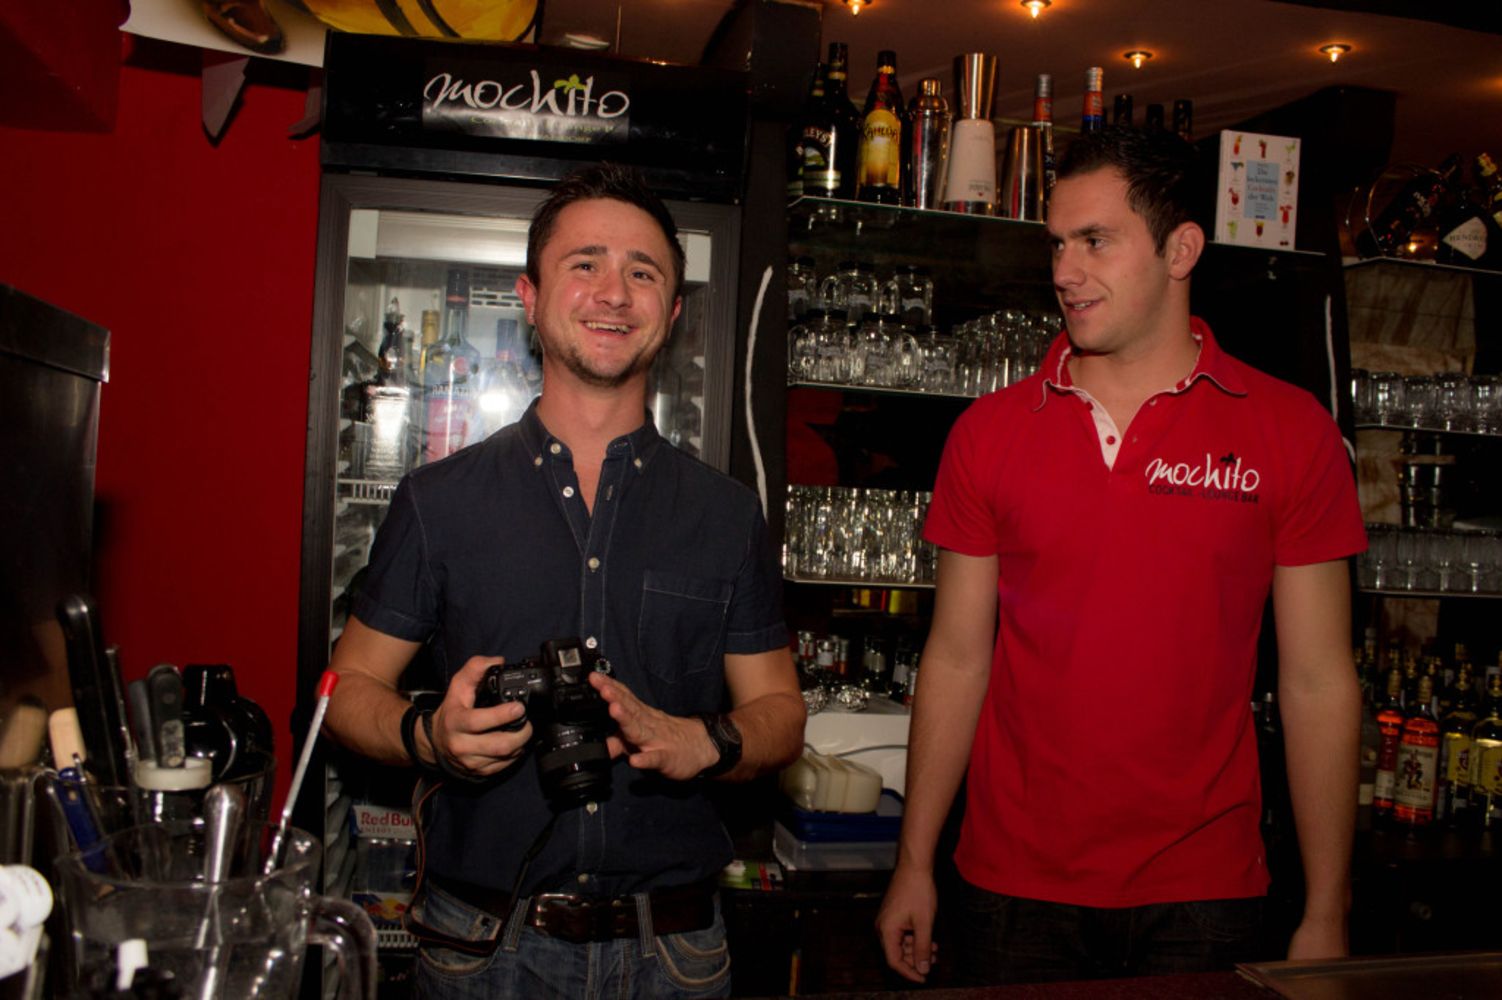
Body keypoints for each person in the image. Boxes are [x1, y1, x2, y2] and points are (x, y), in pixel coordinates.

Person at [875, 126, 1366, 986]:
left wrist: (1328, 906)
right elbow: (955, 658)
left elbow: (1319, 680)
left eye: (1095, 241)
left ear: (1182, 250)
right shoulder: (989, 433)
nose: (1065, 271)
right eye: (1057, 244)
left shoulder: (1291, 432)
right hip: (1011, 883)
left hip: (1204, 889)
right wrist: (914, 861)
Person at [322, 163, 805, 999]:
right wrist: (431, 736)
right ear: (531, 297)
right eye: (585, 264)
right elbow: (347, 690)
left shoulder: (726, 515)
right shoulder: (439, 502)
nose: (614, 292)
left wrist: (706, 741)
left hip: (675, 956)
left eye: (643, 272)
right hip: (482, 952)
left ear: (673, 312)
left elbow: (781, 713)